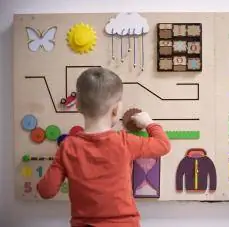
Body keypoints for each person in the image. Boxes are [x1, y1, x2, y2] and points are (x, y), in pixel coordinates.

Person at [36, 67, 171, 227]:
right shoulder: (125, 142)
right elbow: (163, 145)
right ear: (116, 110)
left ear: (78, 105)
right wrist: (150, 123)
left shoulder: (68, 147)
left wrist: (61, 163)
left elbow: (46, 191)